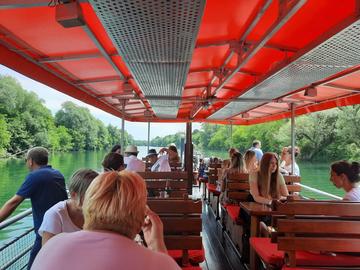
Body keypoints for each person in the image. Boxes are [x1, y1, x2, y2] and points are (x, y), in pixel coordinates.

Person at [31, 171, 181, 270]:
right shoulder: (157, 264)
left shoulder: (53, 246)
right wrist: (156, 245)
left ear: (88, 205)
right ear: (141, 214)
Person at [0, 147, 67, 269]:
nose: (26, 163)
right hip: (62, 231)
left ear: (30, 161)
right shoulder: (58, 174)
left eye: (26, 160)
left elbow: (13, 202)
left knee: (33, 266)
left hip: (45, 233)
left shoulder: (35, 176)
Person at [39, 169, 99, 246]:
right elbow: (47, 252)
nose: (97, 200)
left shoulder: (99, 212)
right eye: (92, 195)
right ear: (74, 195)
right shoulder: (55, 215)